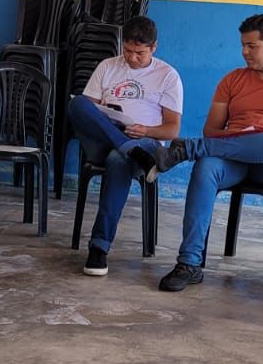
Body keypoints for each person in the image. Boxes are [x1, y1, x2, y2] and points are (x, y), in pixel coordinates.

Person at [132, 14, 263, 293]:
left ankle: (185, 149)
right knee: (206, 166)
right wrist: (245, 138)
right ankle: (189, 263)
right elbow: (212, 130)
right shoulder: (233, 80)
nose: (245, 52)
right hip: (232, 160)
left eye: (252, 46)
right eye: (242, 46)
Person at [68, 16, 184, 277]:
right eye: (128, 50)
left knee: (117, 161)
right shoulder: (108, 66)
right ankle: (127, 148)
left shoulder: (167, 76)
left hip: (146, 140)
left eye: (140, 53)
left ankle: (99, 247)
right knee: (77, 104)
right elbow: (88, 111)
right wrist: (113, 123)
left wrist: (146, 130)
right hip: (108, 137)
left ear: (154, 48)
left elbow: (172, 129)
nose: (132, 58)